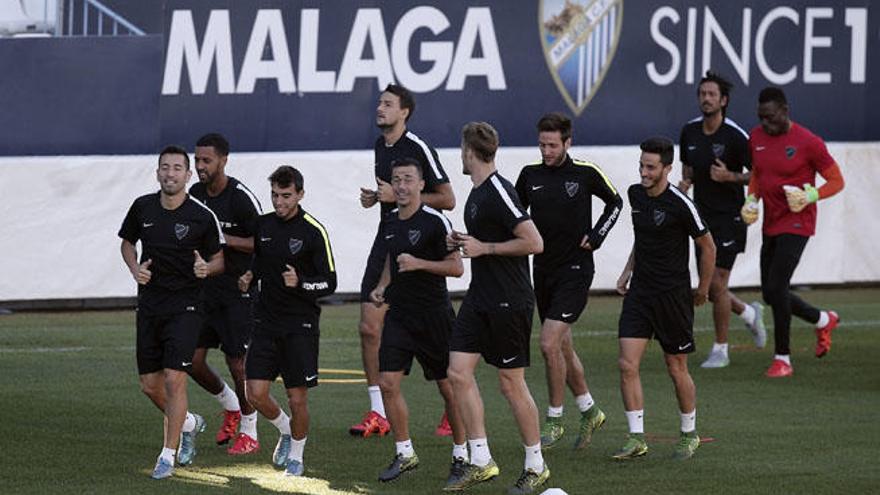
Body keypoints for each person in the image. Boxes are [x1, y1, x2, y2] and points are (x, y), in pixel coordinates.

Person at [445, 122, 549, 494]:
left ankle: (536, 465)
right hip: (481, 296)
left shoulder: (499, 191)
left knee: (510, 383)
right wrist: (463, 241)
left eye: (461, 149)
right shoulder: (476, 193)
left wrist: (484, 249)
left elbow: (534, 242)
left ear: (469, 151)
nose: (460, 155)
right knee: (458, 372)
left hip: (510, 299)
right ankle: (480, 459)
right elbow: (489, 238)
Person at [514, 112, 621, 450]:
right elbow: (514, 214)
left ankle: (555, 419)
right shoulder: (529, 176)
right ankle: (590, 410)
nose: (546, 151)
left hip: (575, 271)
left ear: (567, 143)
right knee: (562, 346)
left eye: (553, 145)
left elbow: (615, 203)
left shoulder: (586, 173)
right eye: (542, 144)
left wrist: (597, 235)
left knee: (547, 343)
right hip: (542, 270)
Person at [354, 84, 456, 438]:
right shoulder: (381, 145)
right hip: (387, 239)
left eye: (387, 104)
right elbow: (393, 197)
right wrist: (378, 199)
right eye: (379, 103)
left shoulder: (418, 148)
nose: (379, 108)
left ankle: (452, 408)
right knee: (368, 327)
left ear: (405, 112)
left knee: (432, 332)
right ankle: (378, 411)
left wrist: (397, 193)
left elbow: (447, 199)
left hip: (418, 244)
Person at [118, 145, 226, 479]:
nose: (170, 173)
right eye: (165, 167)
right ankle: (190, 423)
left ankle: (168, 453)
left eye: (177, 168)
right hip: (150, 306)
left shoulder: (201, 216)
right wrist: (136, 268)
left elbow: (220, 259)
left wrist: (206, 269)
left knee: (173, 378)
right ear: (157, 172)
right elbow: (126, 243)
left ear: (188, 174)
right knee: (150, 386)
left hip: (186, 307)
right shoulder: (142, 207)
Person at [615, 137, 715, 461]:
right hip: (640, 293)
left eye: (650, 167)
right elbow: (642, 239)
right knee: (627, 364)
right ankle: (636, 437)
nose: (643, 172)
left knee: (676, 366)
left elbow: (708, 247)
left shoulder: (681, 204)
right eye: (641, 165)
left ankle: (689, 433)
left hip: (672, 295)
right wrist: (627, 271)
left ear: (667, 169)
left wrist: (702, 289)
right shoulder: (635, 195)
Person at [368, 158, 467, 483]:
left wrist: (420, 263)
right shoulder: (390, 221)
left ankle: (462, 455)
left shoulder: (436, 221)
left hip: (434, 316)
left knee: (448, 388)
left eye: (408, 179)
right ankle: (404, 452)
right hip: (399, 315)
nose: (401, 185)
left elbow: (456, 268)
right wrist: (383, 286)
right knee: (387, 383)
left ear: (421, 185)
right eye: (396, 179)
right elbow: (391, 259)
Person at [237, 166, 337, 476]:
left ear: (300, 195)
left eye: (286, 196)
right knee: (254, 393)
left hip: (300, 326)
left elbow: (330, 282)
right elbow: (261, 259)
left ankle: (296, 454)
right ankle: (284, 429)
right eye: (275, 196)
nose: (279, 202)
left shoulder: (313, 231)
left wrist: (302, 282)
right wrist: (250, 276)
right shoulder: (263, 225)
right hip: (265, 322)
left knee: (297, 398)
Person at [741, 87, 845, 378]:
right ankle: (823, 319)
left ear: (785, 111)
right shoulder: (756, 138)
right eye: (761, 118)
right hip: (771, 222)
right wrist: (751, 199)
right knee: (771, 294)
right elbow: (759, 175)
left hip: (798, 222)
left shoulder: (809, 142)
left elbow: (837, 180)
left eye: (771, 117)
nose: (765, 124)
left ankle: (782, 358)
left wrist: (811, 196)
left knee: (777, 287)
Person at [678, 71, 767, 368]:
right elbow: (689, 169)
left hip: (730, 217)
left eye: (711, 94)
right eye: (702, 94)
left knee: (715, 284)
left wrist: (731, 176)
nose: (706, 99)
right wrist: (685, 184)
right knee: (712, 286)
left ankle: (721, 349)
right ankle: (749, 314)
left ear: (723, 100)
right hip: (702, 220)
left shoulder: (735, 136)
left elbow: (760, 174)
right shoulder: (689, 132)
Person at [188, 133, 263, 453]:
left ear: (223, 160)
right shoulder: (193, 193)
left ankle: (250, 431)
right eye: (197, 160)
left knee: (238, 363)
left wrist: (223, 239)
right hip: (204, 291)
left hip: (237, 289)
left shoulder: (241, 197)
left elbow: (264, 241)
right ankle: (230, 404)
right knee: (190, 359)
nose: (201, 166)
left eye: (207, 160)